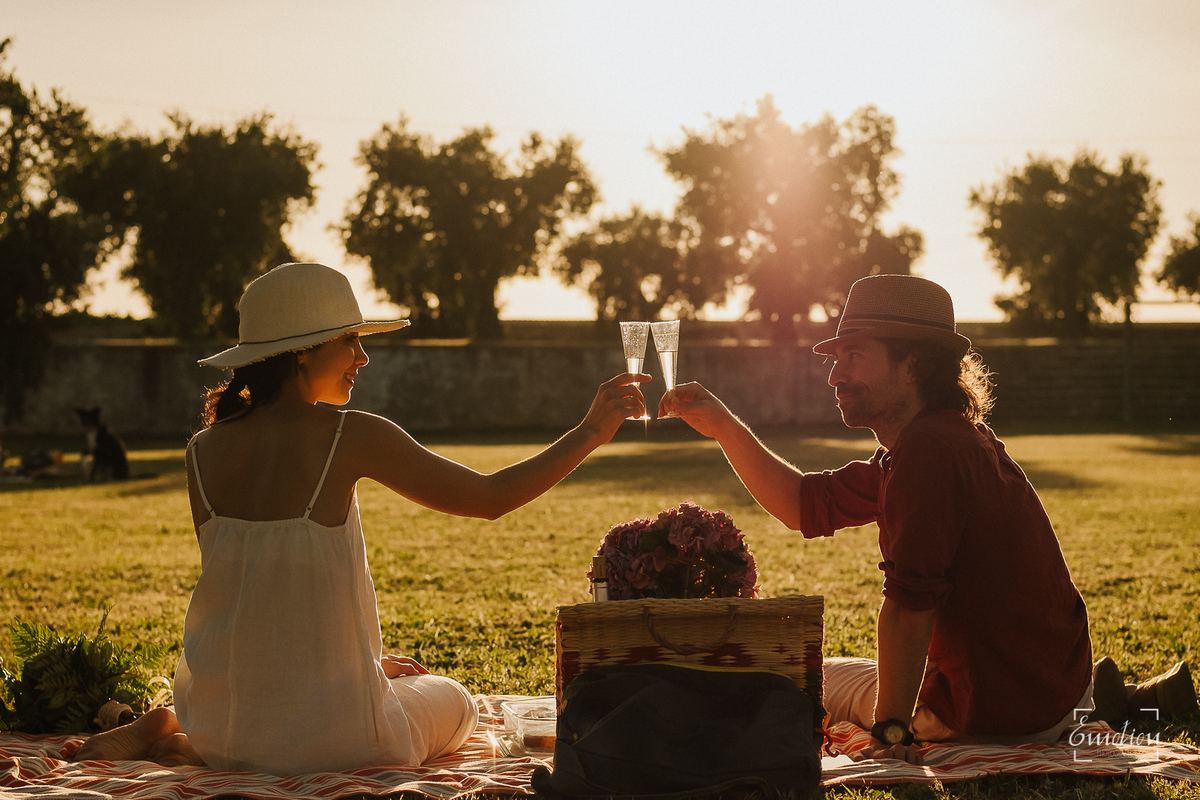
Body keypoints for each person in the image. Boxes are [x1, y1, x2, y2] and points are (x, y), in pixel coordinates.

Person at [69, 262, 650, 775]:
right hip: (340, 740)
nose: (363, 356)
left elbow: (260, 601)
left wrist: (364, 664)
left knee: (376, 688)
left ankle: (169, 723)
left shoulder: (202, 449)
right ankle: (179, 727)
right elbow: (490, 497)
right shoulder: (352, 435)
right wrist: (592, 431)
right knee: (455, 699)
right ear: (301, 350)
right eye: (349, 340)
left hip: (221, 727)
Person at [660, 274, 1195, 764]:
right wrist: (725, 426)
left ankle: (1098, 708)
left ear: (911, 363)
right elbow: (805, 505)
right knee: (840, 669)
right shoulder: (932, 441)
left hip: (993, 709)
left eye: (854, 355)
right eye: (836, 356)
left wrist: (891, 732)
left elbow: (910, 608)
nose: (835, 374)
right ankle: (1112, 703)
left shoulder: (929, 452)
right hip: (1043, 685)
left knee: (803, 677)